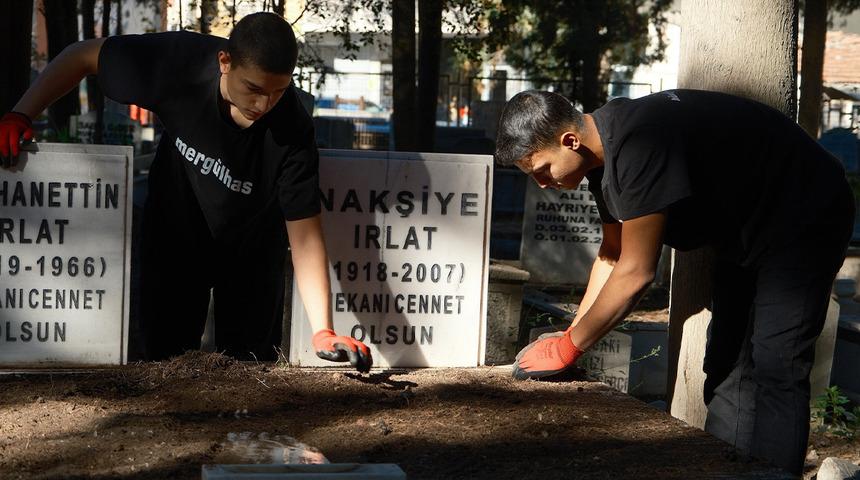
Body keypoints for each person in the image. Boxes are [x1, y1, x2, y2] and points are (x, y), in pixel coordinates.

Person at [496, 89, 854, 476]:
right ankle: (724, 469)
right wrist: (570, 334)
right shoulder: (601, 157)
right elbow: (612, 254)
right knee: (725, 363)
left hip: (804, 216)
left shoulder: (638, 143)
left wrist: (570, 348)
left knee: (777, 365)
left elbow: (635, 272)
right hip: (746, 232)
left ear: (570, 141)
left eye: (542, 170)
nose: (542, 183)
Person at [0, 12, 372, 371]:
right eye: (254, 89)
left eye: (278, 91)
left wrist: (322, 329)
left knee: (250, 375)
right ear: (225, 61)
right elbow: (82, 55)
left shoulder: (292, 128)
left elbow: (305, 233)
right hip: (174, 233)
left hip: (252, 252)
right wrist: (21, 114)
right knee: (163, 365)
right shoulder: (178, 65)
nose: (263, 104)